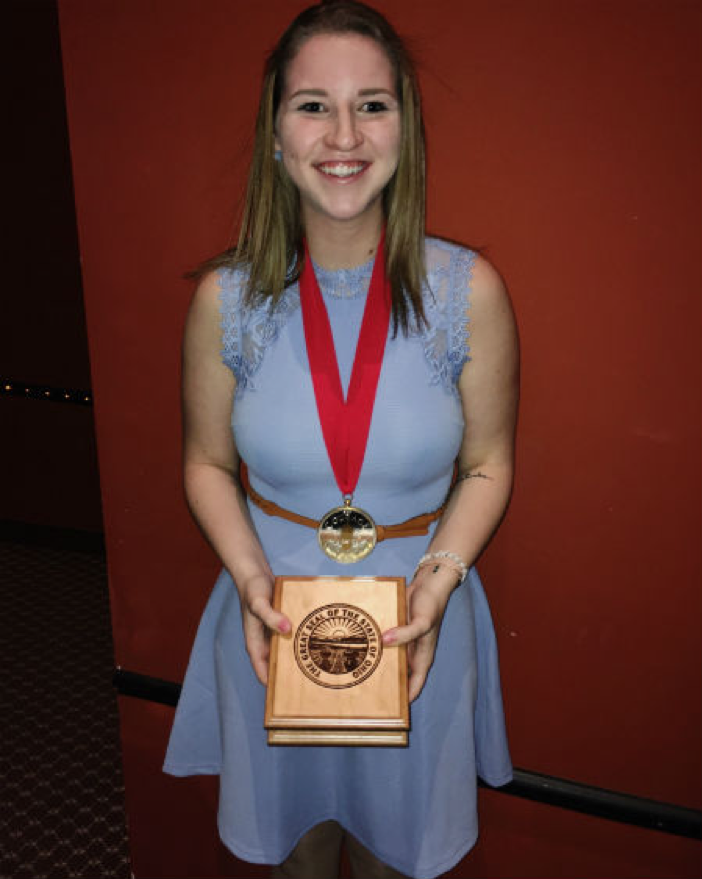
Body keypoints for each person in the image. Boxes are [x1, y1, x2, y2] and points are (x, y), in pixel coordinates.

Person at [163, 2, 519, 877]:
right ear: (276, 132)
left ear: (406, 128)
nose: (344, 133)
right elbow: (206, 463)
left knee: (397, 861)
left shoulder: (469, 293)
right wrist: (250, 580)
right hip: (271, 625)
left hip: (419, 632)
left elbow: (488, 463)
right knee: (296, 858)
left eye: (374, 103)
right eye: (313, 104)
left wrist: (439, 578)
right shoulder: (225, 299)